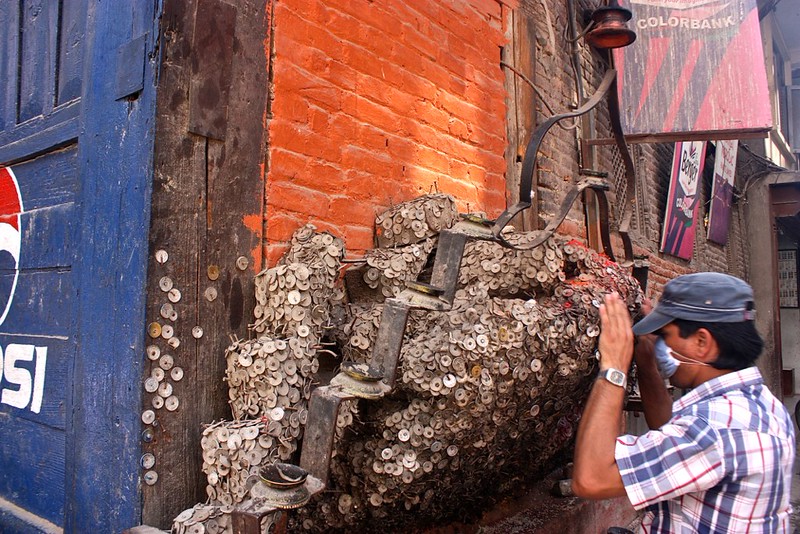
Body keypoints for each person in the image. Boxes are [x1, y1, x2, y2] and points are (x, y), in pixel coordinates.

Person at [571, 272, 796, 532]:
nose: (661, 345)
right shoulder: (760, 405)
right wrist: (646, 363)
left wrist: (614, 366)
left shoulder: (712, 427)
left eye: (666, 335)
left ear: (701, 342)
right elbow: (668, 430)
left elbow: (591, 479)